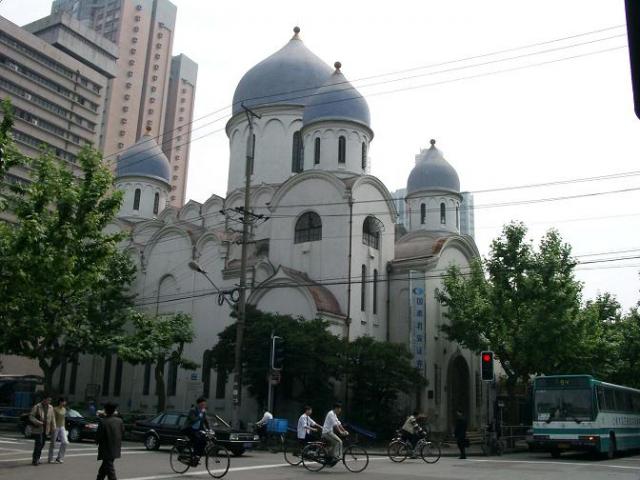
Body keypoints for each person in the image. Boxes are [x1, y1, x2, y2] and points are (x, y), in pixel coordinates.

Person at [96, 402, 124, 480]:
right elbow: (122, 432)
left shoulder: (103, 421)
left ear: (106, 411)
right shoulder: (119, 421)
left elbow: (99, 435)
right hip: (116, 447)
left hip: (106, 448)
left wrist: (97, 441)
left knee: (110, 470)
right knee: (105, 467)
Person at [29, 393, 55, 466]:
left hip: (46, 428)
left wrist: (54, 427)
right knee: (39, 443)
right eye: (48, 400)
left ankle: (37, 458)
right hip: (38, 428)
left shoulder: (51, 407)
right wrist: (38, 422)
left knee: (42, 444)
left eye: (50, 400)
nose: (49, 401)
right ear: (44, 399)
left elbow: (52, 418)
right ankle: (35, 460)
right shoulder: (37, 407)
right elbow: (31, 416)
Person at [186, 397, 210, 463]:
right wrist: (200, 414)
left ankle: (197, 456)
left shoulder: (203, 412)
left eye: (204, 405)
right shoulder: (193, 410)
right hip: (190, 429)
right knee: (197, 440)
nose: (203, 406)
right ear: (198, 404)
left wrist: (209, 429)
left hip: (198, 429)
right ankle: (193, 456)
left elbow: (205, 421)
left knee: (204, 441)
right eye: (202, 405)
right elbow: (193, 420)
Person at [48, 397, 68, 464]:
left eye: (65, 402)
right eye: (63, 401)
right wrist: (52, 427)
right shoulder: (55, 409)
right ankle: (50, 458)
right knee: (53, 443)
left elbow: (64, 419)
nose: (65, 403)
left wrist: (64, 428)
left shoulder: (64, 409)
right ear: (60, 402)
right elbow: (52, 419)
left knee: (65, 442)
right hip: (55, 427)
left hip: (62, 427)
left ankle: (59, 458)